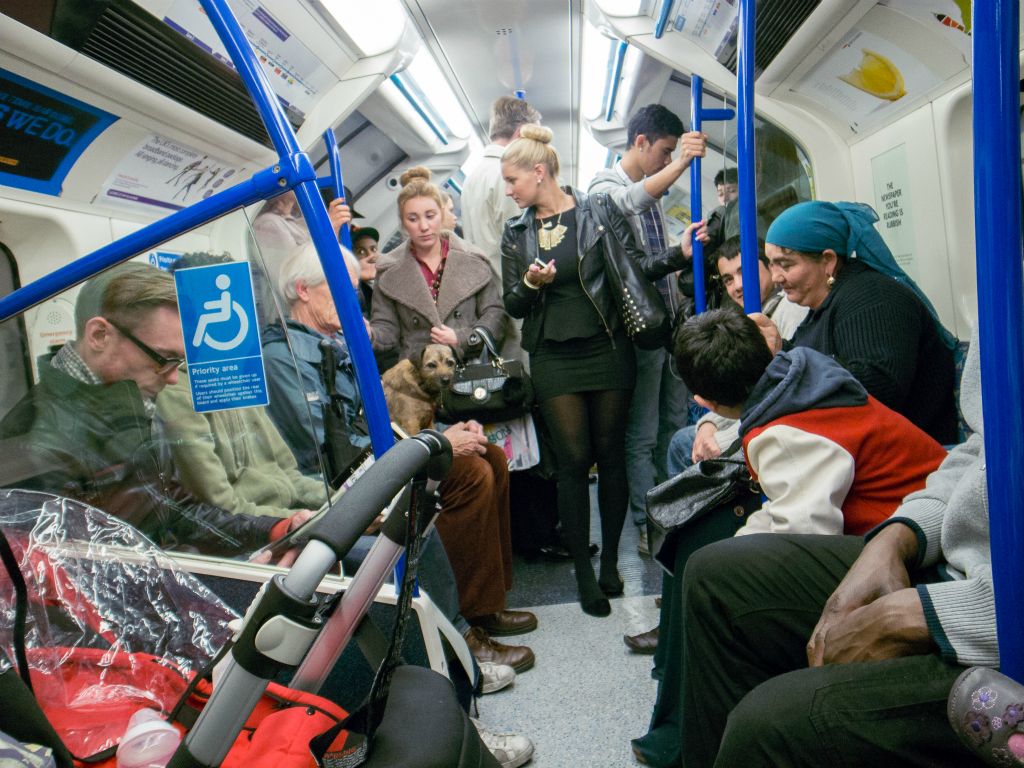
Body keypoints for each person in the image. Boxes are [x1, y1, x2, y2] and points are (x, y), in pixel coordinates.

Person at [632, 307, 949, 768]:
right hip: (916, 518)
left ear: (706, 402)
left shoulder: (786, 434)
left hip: (914, 550)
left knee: (716, 568)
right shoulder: (801, 376)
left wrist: (739, 546)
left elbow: (801, 526)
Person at [265, 243, 538, 672]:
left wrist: (435, 437)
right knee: (470, 475)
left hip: (369, 459)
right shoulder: (288, 360)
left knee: (490, 458)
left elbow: (366, 427)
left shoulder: (334, 344)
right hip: (343, 483)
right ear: (303, 290)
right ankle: (461, 626)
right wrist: (437, 444)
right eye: (340, 290)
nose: (353, 303)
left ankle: (485, 605)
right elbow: (326, 451)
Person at [501, 124, 695, 617]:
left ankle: (611, 561)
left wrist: (677, 256)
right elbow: (513, 305)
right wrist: (529, 281)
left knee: (610, 455)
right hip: (553, 355)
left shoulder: (597, 211)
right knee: (572, 459)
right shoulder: (516, 232)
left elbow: (632, 267)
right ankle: (584, 573)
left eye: (512, 180)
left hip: (607, 346)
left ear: (538, 173)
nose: (509, 191)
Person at [0, 263, 309, 557]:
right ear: (99, 336)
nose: (173, 377)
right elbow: (77, 570)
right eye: (163, 358)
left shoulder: (130, 402)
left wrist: (271, 530)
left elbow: (174, 508)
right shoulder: (38, 448)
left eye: (179, 362)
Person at [588, 103, 707, 556]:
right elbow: (628, 201)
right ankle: (646, 521)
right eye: (664, 151)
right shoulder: (605, 185)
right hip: (638, 331)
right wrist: (680, 166)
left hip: (671, 324)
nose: (667, 159)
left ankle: (677, 512)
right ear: (640, 143)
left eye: (672, 153)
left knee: (674, 425)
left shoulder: (656, 192)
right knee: (641, 434)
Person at [764, 200, 958, 444]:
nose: (775, 277)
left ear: (828, 260)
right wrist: (776, 347)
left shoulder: (873, 298)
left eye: (786, 265)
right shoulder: (822, 307)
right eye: (771, 265)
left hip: (908, 453)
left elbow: (876, 388)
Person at [666, 237, 807, 473]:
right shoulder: (750, 314)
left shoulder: (789, 311)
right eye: (728, 279)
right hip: (755, 419)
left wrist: (719, 439)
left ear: (771, 268)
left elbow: (775, 396)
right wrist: (709, 425)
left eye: (745, 272)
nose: (738, 286)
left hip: (781, 426)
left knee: (681, 444)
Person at [369, 167, 509, 362]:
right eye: (413, 219)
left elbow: (494, 313)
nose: (424, 227)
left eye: (430, 215)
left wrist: (462, 338)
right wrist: (370, 334)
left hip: (467, 369)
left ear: (441, 214)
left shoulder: (473, 259)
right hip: (416, 376)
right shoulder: (388, 271)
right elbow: (386, 329)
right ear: (403, 222)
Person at [461, 96, 542, 274]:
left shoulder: (471, 178)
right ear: (521, 133)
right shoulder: (510, 177)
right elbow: (523, 247)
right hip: (509, 291)